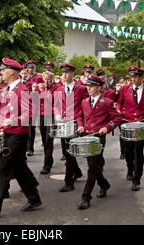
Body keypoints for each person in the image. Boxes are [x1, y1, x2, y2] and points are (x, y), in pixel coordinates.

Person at [0, 58, 42, 219]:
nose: (0, 73)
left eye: (3, 70)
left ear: (11, 71)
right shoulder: (9, 89)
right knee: (19, 168)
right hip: (10, 134)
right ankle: (34, 199)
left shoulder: (22, 90)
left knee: (3, 170)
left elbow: (29, 115)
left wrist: (12, 121)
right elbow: (4, 111)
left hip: (17, 135)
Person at [75, 75, 121, 209]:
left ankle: (86, 197)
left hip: (99, 137)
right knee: (93, 166)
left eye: (92, 86)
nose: (88, 88)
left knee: (92, 167)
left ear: (99, 87)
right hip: (86, 135)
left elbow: (117, 117)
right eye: (87, 86)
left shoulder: (106, 102)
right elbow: (80, 116)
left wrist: (107, 128)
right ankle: (104, 184)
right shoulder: (84, 102)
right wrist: (80, 125)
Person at [116, 66, 144, 191]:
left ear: (141, 77)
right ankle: (130, 167)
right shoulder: (124, 89)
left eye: (135, 77)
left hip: (141, 124)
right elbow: (119, 103)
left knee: (138, 151)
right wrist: (118, 109)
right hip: (127, 123)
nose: (132, 79)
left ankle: (136, 179)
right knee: (127, 151)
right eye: (131, 77)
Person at [55, 63, 89, 192]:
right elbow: (56, 105)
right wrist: (57, 113)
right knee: (66, 151)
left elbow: (86, 105)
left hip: (75, 123)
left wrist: (82, 122)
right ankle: (77, 172)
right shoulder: (59, 89)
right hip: (63, 124)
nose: (64, 75)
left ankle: (68, 182)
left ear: (73, 73)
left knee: (69, 152)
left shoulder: (80, 89)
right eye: (63, 73)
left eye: (67, 72)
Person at [36, 65, 61, 175]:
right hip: (41, 115)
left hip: (50, 115)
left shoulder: (57, 88)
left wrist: (43, 92)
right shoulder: (40, 87)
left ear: (52, 79)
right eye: (44, 79)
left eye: (48, 79)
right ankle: (49, 160)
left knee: (48, 140)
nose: (46, 81)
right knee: (43, 140)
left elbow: (53, 102)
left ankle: (47, 164)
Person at [24, 60, 43, 157]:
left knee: (31, 126)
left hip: (35, 104)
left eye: (33, 67)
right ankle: (26, 146)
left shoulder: (39, 77)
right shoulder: (23, 78)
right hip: (25, 104)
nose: (31, 69)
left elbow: (43, 90)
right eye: (30, 67)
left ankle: (31, 148)